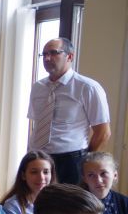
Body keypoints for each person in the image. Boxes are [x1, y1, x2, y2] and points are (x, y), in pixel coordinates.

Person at [28, 37, 111, 185]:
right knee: (38, 199)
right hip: (38, 157)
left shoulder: (88, 88)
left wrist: (85, 161)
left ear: (70, 56)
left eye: (54, 53)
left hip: (71, 160)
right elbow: (37, 124)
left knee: (68, 199)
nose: (47, 58)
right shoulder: (38, 87)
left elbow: (103, 133)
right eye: (44, 54)